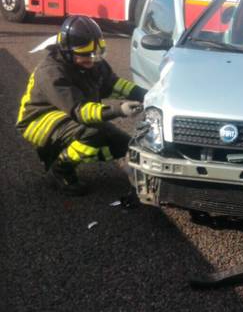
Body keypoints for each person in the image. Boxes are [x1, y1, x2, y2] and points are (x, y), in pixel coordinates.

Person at [16, 15, 147, 196]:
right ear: (68, 52)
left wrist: (145, 94)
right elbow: (81, 111)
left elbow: (113, 84)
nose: (91, 60)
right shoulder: (51, 72)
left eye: (95, 54)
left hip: (69, 113)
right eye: (85, 56)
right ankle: (62, 168)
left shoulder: (92, 60)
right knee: (93, 132)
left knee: (124, 145)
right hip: (38, 120)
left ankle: (83, 151)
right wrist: (120, 109)